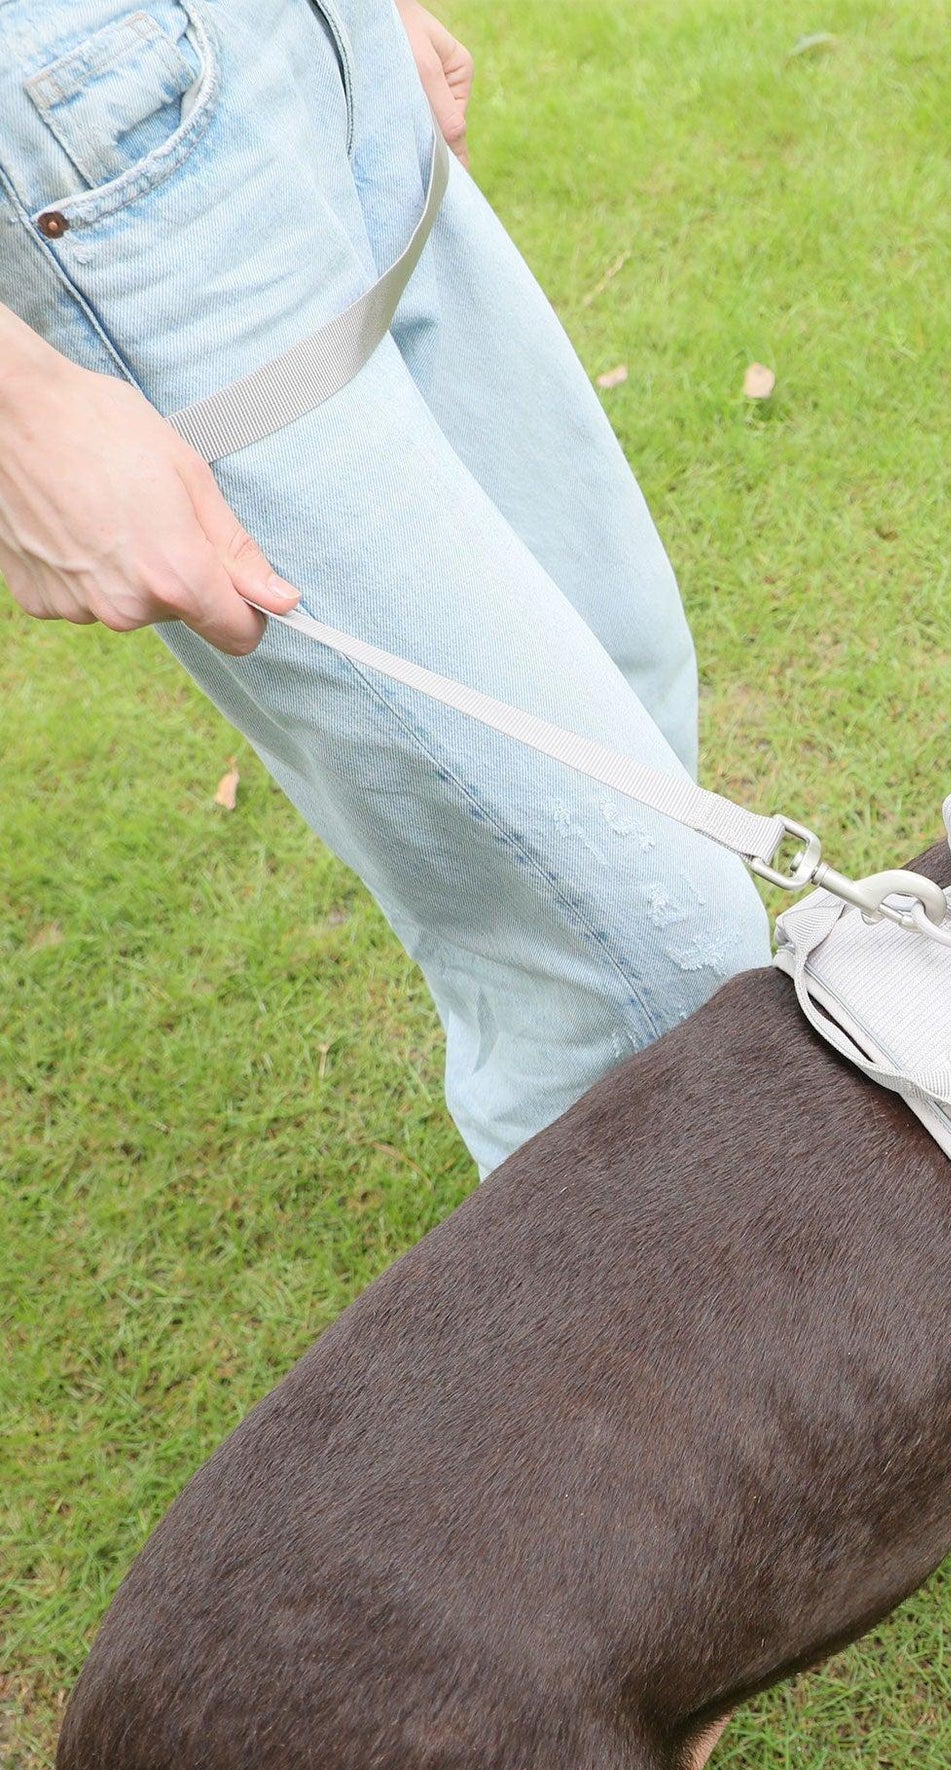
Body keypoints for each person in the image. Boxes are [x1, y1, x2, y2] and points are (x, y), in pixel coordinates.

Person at [0, 0, 772, 1173]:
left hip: (295, 48)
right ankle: (627, 1329)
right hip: (92, 139)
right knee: (637, 953)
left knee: (630, 679)